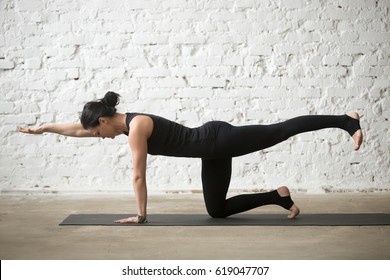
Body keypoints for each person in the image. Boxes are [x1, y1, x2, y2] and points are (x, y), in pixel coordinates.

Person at [17, 92, 363, 224]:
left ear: (105, 120)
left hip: (218, 138)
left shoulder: (137, 128)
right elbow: (78, 130)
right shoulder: (123, 126)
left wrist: (140, 215)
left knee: (279, 130)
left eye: (97, 132)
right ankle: (278, 197)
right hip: (211, 152)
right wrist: (45, 128)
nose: (97, 137)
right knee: (217, 210)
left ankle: (346, 120)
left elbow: (138, 175)